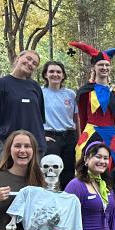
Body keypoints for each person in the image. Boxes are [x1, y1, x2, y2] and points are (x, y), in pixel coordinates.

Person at [73, 46, 115, 170]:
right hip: (91, 132)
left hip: (111, 134)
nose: (104, 68)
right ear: (94, 68)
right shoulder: (85, 92)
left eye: (107, 65)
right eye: (101, 65)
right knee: (87, 164)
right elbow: (82, 116)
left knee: (114, 165)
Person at [0, 50, 46, 157]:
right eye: (28, 59)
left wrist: (42, 137)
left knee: (33, 174)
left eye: (34, 63)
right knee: (8, 174)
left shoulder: (35, 87)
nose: (30, 63)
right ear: (18, 58)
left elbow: (39, 118)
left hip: (35, 146)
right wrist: (3, 137)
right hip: (10, 146)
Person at [41, 60, 79, 189]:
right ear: (45, 74)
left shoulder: (70, 94)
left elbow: (76, 118)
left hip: (69, 136)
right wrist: (40, 136)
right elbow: (34, 117)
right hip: (50, 136)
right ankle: (47, 201)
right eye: (51, 71)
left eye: (58, 72)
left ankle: (66, 200)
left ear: (63, 75)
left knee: (68, 173)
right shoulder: (40, 93)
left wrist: (79, 140)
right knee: (49, 172)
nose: (55, 74)